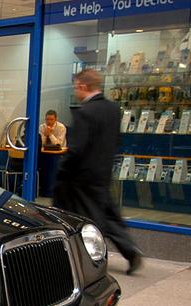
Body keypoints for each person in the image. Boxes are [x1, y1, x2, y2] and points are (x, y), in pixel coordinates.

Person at [53, 69, 143, 275]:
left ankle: (89, 261)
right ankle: (130, 249)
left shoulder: (85, 112)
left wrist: (63, 168)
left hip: (82, 178)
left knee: (89, 220)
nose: (75, 91)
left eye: (76, 87)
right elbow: (116, 141)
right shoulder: (112, 109)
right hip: (102, 173)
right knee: (107, 214)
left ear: (83, 86)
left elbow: (77, 148)